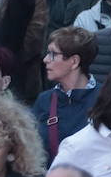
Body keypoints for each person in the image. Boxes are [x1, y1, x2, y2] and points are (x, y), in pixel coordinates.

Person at [31, 26, 100, 162]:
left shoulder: (105, 99)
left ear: (74, 62)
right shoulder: (44, 100)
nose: (45, 59)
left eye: (53, 54)